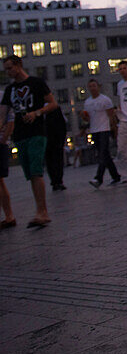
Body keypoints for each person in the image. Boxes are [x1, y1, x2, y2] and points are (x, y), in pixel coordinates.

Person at [0, 55, 57, 227]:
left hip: (37, 132)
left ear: (19, 65)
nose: (8, 71)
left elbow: (53, 104)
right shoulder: (10, 90)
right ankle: (40, 211)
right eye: (6, 69)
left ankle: (42, 212)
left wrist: (36, 113)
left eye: (10, 68)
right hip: (20, 135)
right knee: (30, 174)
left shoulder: (36, 83)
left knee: (35, 171)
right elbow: (2, 115)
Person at [82, 78, 121, 187]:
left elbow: (111, 115)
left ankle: (98, 178)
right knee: (105, 155)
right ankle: (115, 175)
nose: (92, 88)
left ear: (98, 86)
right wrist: (84, 117)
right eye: (90, 86)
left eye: (94, 86)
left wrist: (114, 128)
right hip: (94, 130)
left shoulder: (105, 100)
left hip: (104, 129)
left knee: (102, 153)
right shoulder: (88, 102)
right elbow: (88, 119)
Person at [44, 103, 68, 191]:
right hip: (54, 139)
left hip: (52, 138)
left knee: (51, 161)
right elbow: (64, 122)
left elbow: (63, 122)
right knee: (56, 160)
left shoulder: (54, 108)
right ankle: (57, 181)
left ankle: (55, 181)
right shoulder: (56, 107)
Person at [0, 111, 17, 230]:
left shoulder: (2, 98)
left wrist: (3, 139)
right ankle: (9, 216)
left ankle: (9, 216)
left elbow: (11, 119)